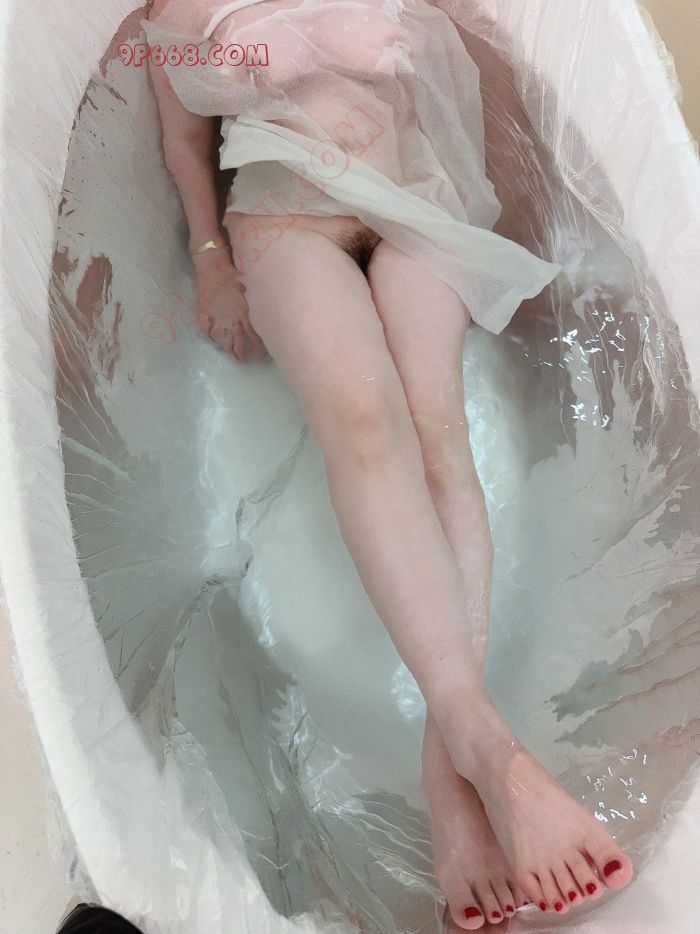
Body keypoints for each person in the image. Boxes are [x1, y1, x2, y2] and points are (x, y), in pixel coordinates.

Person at [144, 0, 634, 927]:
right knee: (368, 427)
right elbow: (181, 128)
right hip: (287, 217)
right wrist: (210, 262)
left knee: (437, 436)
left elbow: (444, 71)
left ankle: (452, 775)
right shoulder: (178, 10)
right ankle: (487, 750)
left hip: (415, 204)